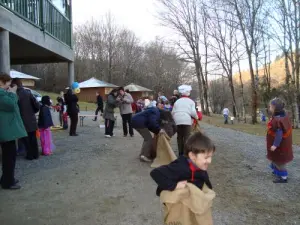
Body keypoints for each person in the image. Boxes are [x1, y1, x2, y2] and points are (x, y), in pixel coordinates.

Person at [150, 132, 215, 196]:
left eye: (211, 156)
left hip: (190, 197)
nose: (209, 161)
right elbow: (155, 173)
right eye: (206, 157)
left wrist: (209, 190)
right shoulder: (180, 167)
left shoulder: (200, 167)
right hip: (176, 201)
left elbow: (205, 179)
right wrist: (174, 186)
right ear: (192, 156)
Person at [0, 73, 27, 190]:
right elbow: (11, 105)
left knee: (10, 157)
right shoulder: (2, 94)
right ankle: (8, 182)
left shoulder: (4, 94)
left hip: (7, 130)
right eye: (7, 82)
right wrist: (12, 93)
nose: (8, 85)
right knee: (9, 158)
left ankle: (7, 178)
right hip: (6, 131)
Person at [11, 78, 40, 160]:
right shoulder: (28, 93)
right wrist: (32, 113)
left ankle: (29, 154)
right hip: (31, 119)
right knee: (33, 138)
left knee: (25, 139)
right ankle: (35, 154)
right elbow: (37, 106)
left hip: (21, 120)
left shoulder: (15, 95)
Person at [267, 98, 293, 183]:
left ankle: (283, 177)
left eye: (270, 106)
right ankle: (277, 171)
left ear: (275, 108)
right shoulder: (283, 115)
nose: (269, 107)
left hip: (280, 145)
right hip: (281, 143)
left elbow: (279, 134)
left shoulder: (278, 120)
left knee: (279, 160)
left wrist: (275, 145)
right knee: (276, 158)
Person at [172, 85, 198, 156]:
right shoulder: (191, 102)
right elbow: (193, 112)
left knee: (179, 137)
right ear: (188, 93)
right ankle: (185, 153)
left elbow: (173, 112)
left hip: (177, 120)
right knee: (187, 136)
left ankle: (180, 152)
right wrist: (197, 117)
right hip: (186, 120)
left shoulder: (177, 101)